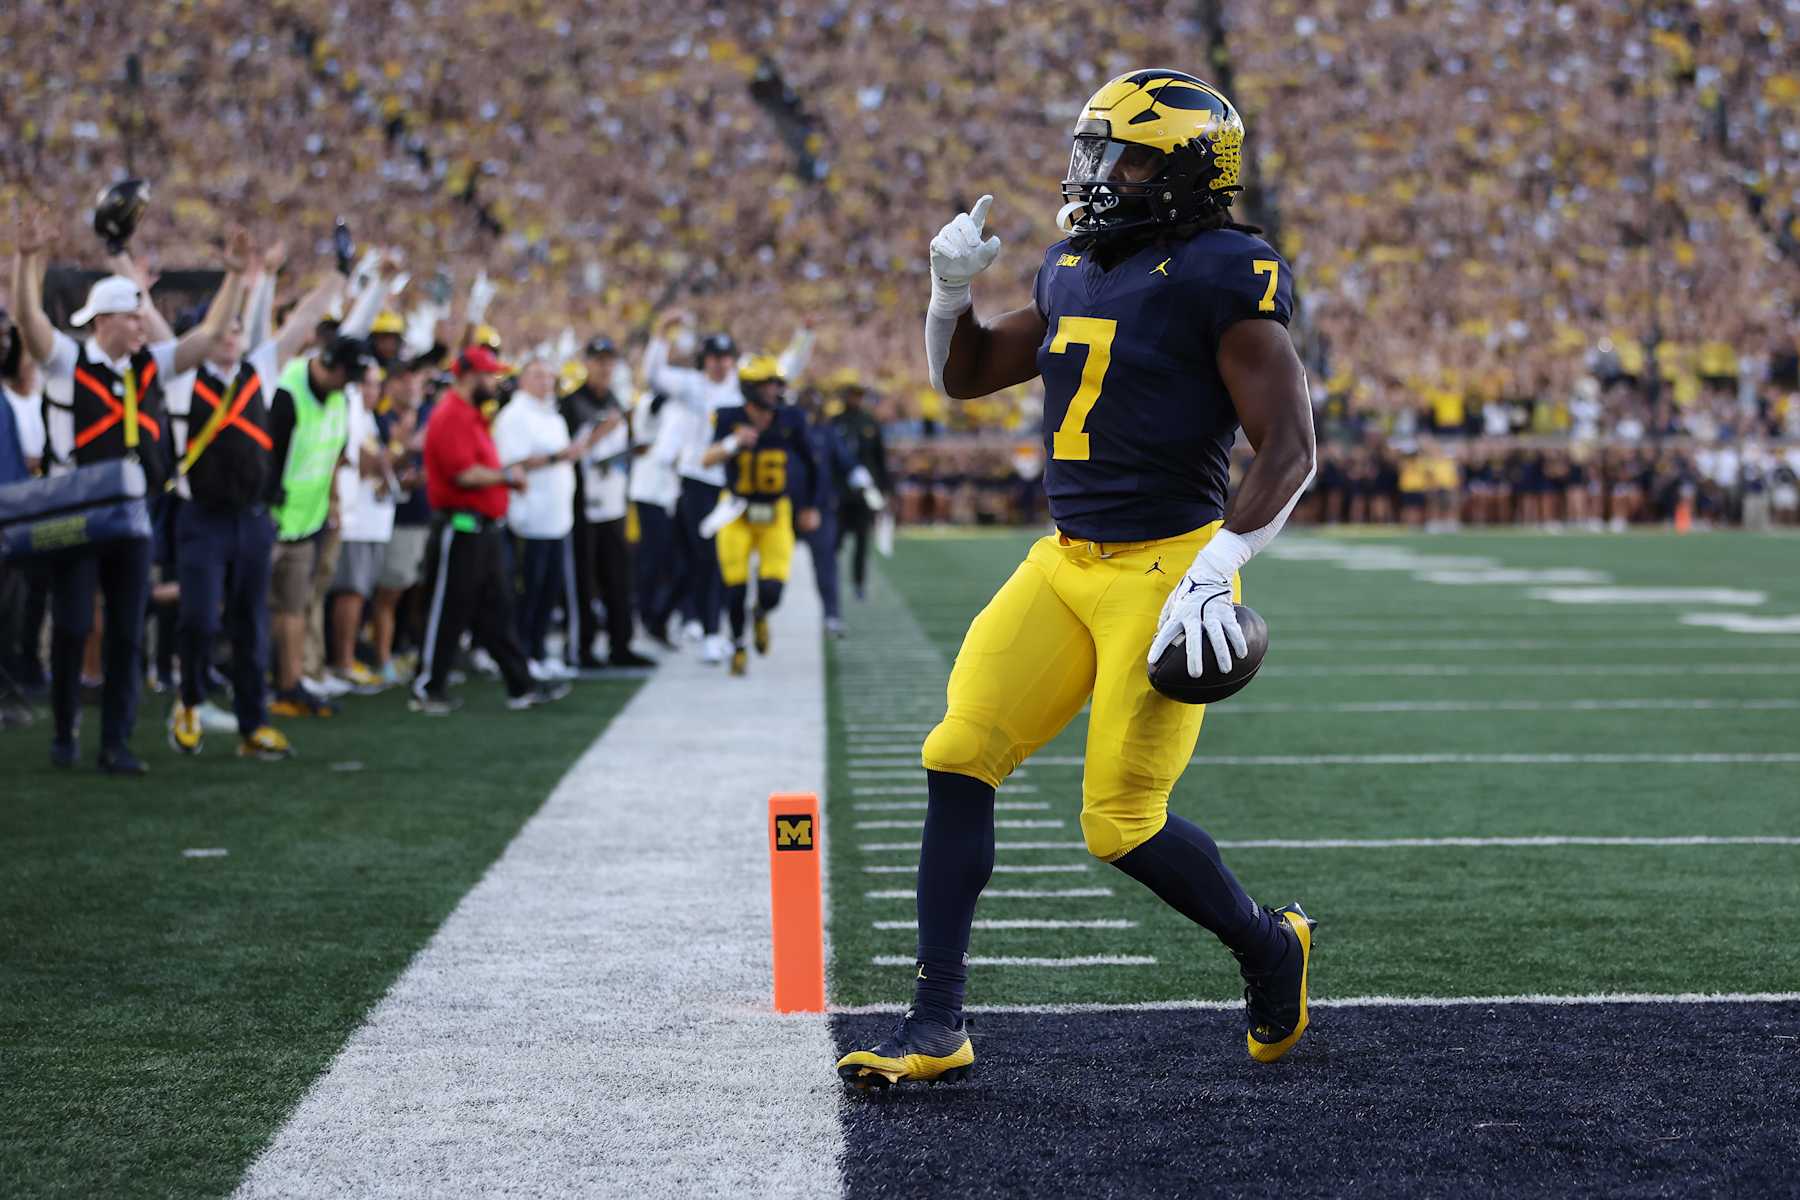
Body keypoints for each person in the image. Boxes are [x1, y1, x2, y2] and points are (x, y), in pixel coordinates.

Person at [836, 70, 1319, 1088]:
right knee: (959, 748)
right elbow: (966, 375)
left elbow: (1291, 450)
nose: (1098, 172)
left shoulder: (1225, 273)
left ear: (1186, 171)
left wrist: (1218, 567)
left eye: (1127, 155)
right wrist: (948, 291)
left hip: (1163, 567)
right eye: (1095, 149)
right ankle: (936, 1023)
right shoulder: (1076, 263)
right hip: (1065, 560)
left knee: (1118, 822)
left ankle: (1267, 945)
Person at [10, 202, 249, 773]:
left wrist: (238, 278)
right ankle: (66, 727)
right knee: (70, 624)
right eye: (133, 316)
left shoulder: (149, 366)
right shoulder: (68, 362)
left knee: (125, 631)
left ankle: (114, 741)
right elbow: (28, 321)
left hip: (134, 515)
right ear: (103, 322)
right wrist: (27, 259)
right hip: (75, 510)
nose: (144, 324)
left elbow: (210, 334)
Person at [161, 238, 343, 759]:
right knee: (198, 617)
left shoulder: (258, 371)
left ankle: (252, 723)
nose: (233, 336)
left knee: (251, 622)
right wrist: (243, 280)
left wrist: (341, 275)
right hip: (202, 517)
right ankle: (189, 700)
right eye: (224, 329)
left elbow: (304, 318)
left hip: (252, 518)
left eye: (239, 330)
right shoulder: (182, 378)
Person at [412, 345, 570, 714]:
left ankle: (521, 684)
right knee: (447, 608)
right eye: (488, 375)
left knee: (497, 609)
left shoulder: (470, 414)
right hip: (461, 524)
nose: (495, 381)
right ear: (468, 376)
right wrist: (506, 477)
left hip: (483, 528)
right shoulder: (452, 414)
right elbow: (463, 474)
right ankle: (427, 685)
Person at [264, 334, 369, 718]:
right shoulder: (286, 392)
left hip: (307, 521)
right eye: (345, 373)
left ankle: (290, 686)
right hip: (272, 520)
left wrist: (333, 503)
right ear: (327, 364)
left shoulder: (339, 397)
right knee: (255, 607)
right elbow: (268, 457)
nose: (348, 383)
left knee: (294, 607)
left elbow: (334, 454)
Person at [696, 356, 821, 675]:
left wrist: (810, 506)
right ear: (751, 388)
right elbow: (705, 459)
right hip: (736, 510)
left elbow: (813, 463)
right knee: (735, 587)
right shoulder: (728, 418)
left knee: (772, 590)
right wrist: (732, 443)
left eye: (776, 383)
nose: (776, 390)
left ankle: (761, 614)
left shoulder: (791, 418)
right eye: (769, 384)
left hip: (776, 511)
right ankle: (738, 645)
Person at [492, 357, 587, 681]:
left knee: (549, 589)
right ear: (522, 380)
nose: (545, 382)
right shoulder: (515, 416)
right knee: (528, 590)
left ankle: (541, 649)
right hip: (529, 517)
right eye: (537, 376)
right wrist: (558, 457)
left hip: (557, 517)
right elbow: (511, 463)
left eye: (549, 376)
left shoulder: (551, 415)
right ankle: (522, 654)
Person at [563, 337, 655, 669]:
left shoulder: (617, 400)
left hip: (614, 503)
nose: (604, 367)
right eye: (598, 359)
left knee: (619, 578)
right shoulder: (572, 403)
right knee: (585, 580)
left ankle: (621, 644)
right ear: (586, 362)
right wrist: (601, 434)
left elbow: (620, 449)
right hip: (583, 506)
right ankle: (582, 647)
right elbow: (569, 453)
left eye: (609, 360)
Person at [829, 370, 890, 600]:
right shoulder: (835, 423)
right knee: (835, 541)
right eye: (851, 395)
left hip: (865, 493)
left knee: (862, 541)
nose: (854, 399)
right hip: (841, 492)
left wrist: (884, 490)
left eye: (858, 395)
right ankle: (830, 582)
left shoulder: (870, 423)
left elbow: (879, 458)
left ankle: (858, 583)